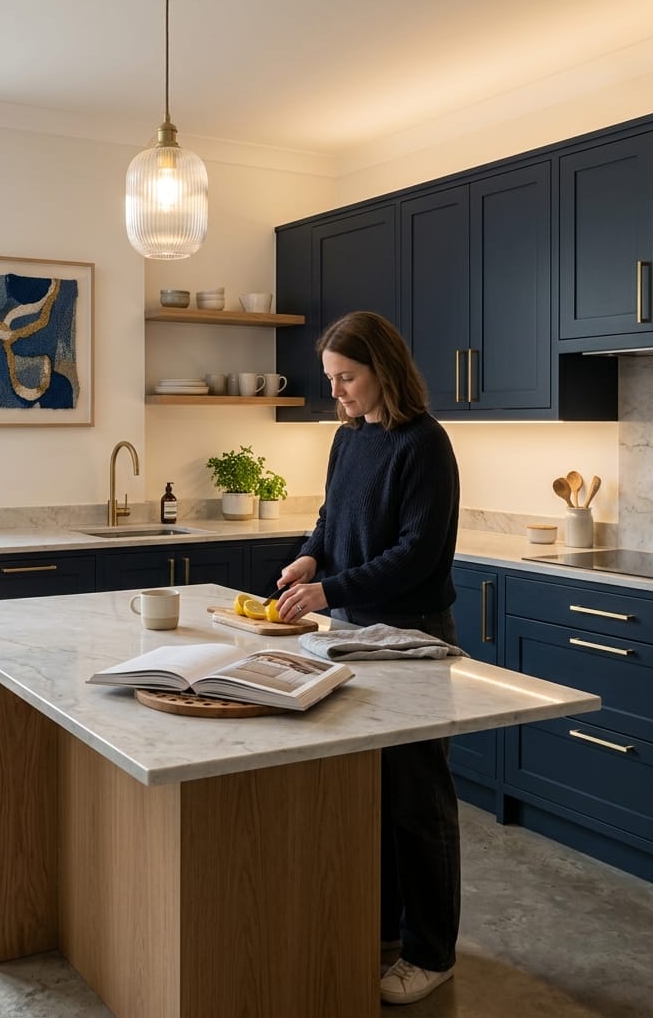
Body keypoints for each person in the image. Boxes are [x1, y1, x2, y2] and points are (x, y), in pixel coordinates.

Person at [275, 310, 461, 1007]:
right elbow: (331, 517)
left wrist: (330, 589)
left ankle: (431, 953)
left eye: (347, 378)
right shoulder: (348, 438)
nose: (337, 392)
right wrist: (309, 556)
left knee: (419, 801)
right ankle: (384, 928)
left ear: (384, 370)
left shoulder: (425, 444)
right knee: (370, 791)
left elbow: (415, 554)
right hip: (353, 630)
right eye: (331, 378)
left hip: (411, 638)